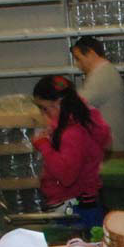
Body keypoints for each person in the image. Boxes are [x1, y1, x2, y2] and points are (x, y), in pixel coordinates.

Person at [31, 74, 111, 228]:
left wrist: (44, 145)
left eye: (45, 108)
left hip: (75, 210)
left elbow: (66, 175)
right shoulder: (81, 122)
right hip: (84, 205)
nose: (44, 114)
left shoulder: (73, 133)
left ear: (58, 103)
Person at [71, 36, 124, 158]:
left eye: (78, 58)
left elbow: (77, 104)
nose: (77, 64)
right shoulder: (104, 72)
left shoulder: (102, 74)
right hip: (110, 146)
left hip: (110, 149)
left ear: (91, 53)